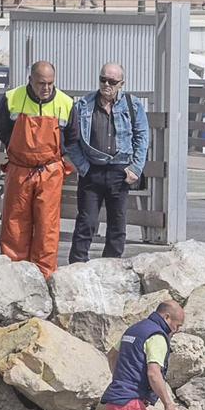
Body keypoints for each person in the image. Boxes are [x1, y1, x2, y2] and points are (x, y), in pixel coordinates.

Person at [0, 61, 74, 276]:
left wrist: (53, 155)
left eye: (50, 83)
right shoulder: (12, 98)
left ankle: (45, 275)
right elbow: (1, 128)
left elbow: (73, 135)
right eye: (41, 83)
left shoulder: (65, 102)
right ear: (30, 80)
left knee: (47, 227)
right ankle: (14, 274)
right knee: (14, 224)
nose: (46, 88)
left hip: (50, 171)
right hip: (19, 169)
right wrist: (21, 150)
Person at [66, 62, 149, 263]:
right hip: (92, 169)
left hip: (120, 171)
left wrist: (135, 168)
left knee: (117, 224)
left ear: (121, 83)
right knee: (86, 222)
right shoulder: (83, 105)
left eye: (112, 81)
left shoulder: (132, 104)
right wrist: (83, 166)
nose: (106, 85)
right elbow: (70, 139)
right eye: (103, 79)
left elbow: (142, 136)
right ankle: (77, 267)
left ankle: (112, 266)